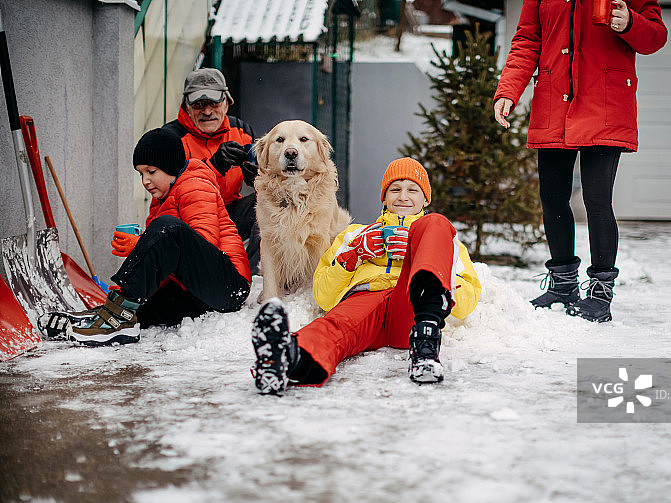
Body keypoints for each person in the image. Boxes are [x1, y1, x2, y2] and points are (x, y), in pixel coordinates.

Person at [493, 0, 667, 322]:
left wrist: (629, 22)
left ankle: (600, 292)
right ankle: (562, 285)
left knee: (597, 200)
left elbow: (655, 37)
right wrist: (509, 90)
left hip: (605, 104)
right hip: (553, 102)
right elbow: (528, 39)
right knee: (553, 198)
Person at [249, 157, 482, 395]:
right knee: (334, 327)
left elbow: (465, 304)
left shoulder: (440, 239)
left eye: (413, 189)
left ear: (425, 199)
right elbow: (323, 297)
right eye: (395, 189)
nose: (403, 196)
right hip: (364, 302)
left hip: (412, 310)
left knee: (436, 223)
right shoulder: (354, 234)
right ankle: (286, 359)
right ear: (384, 197)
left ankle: (426, 344)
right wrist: (355, 254)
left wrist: (422, 258)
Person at [39, 128, 252, 346]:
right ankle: (105, 316)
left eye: (151, 171)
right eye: (141, 174)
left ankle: (119, 318)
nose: (145, 181)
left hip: (229, 286)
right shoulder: (161, 199)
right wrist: (129, 284)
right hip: (196, 291)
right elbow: (162, 263)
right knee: (142, 306)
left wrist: (146, 244)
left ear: (171, 167)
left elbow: (202, 244)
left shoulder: (195, 184)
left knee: (166, 228)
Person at [162, 68, 261, 274]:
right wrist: (213, 166)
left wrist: (260, 179)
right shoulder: (169, 139)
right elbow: (167, 193)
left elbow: (265, 175)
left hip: (229, 212)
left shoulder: (241, 130)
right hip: (187, 218)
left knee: (268, 204)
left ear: (226, 103)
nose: (207, 112)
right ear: (186, 107)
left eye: (214, 104)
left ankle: (252, 276)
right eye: (198, 105)